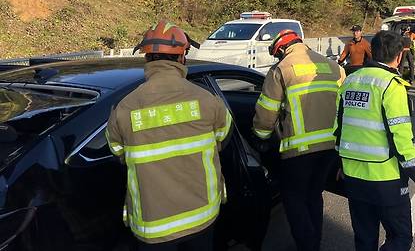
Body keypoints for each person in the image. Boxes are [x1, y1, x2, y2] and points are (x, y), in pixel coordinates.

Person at [106, 20, 233, 250]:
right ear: (182, 58)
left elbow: (117, 153)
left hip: (153, 226)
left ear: (146, 58)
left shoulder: (124, 108)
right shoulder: (208, 101)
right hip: (201, 216)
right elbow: (224, 138)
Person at [335, 30, 415, 251]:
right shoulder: (391, 85)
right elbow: (401, 137)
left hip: (353, 175)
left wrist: (340, 163)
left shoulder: (350, 81)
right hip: (385, 179)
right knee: (400, 238)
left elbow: (339, 127)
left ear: (372, 51)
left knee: (364, 238)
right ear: (398, 57)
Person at [253, 30, 345, 251]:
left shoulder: (282, 69)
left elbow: (266, 114)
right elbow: (343, 107)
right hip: (330, 148)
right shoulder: (334, 67)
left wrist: (261, 139)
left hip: (298, 151)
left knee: (294, 199)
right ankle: (316, 240)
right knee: (314, 194)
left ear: (282, 49)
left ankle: (307, 245)